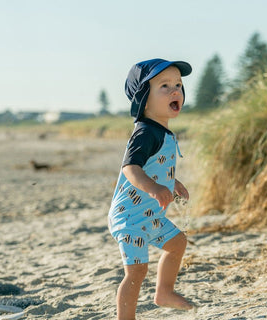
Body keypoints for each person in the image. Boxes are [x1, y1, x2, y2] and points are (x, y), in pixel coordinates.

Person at [108, 58, 193, 320]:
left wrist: (171, 183)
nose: (175, 90)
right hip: (129, 218)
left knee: (177, 243)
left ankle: (164, 293)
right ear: (144, 98)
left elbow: (155, 165)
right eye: (164, 86)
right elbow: (131, 168)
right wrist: (155, 188)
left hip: (149, 216)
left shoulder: (162, 131)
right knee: (136, 272)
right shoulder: (145, 132)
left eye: (178, 84)